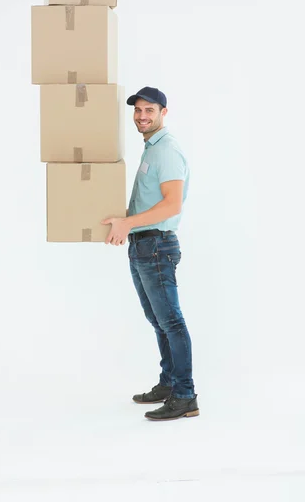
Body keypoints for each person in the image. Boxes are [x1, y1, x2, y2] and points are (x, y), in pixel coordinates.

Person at [101, 86, 199, 421]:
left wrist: (128, 223)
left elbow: (171, 204)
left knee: (171, 321)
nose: (142, 116)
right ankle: (169, 383)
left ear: (164, 113)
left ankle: (185, 395)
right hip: (143, 244)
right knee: (159, 321)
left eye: (150, 110)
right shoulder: (151, 148)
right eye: (138, 110)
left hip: (156, 245)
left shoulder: (167, 150)